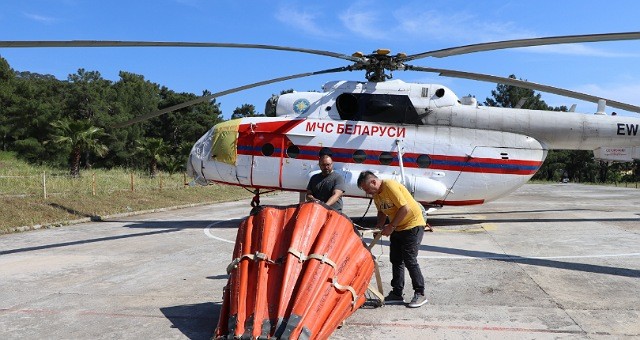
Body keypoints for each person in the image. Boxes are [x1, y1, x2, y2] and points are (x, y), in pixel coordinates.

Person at [357, 170, 428, 308]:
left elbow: (404, 208)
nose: (368, 193)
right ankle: (397, 292)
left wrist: (391, 226)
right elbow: (381, 211)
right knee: (396, 260)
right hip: (398, 227)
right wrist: (379, 225)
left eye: (367, 189)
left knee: (410, 259)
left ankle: (420, 292)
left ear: (373, 182)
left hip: (412, 224)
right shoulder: (377, 194)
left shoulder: (389, 185)